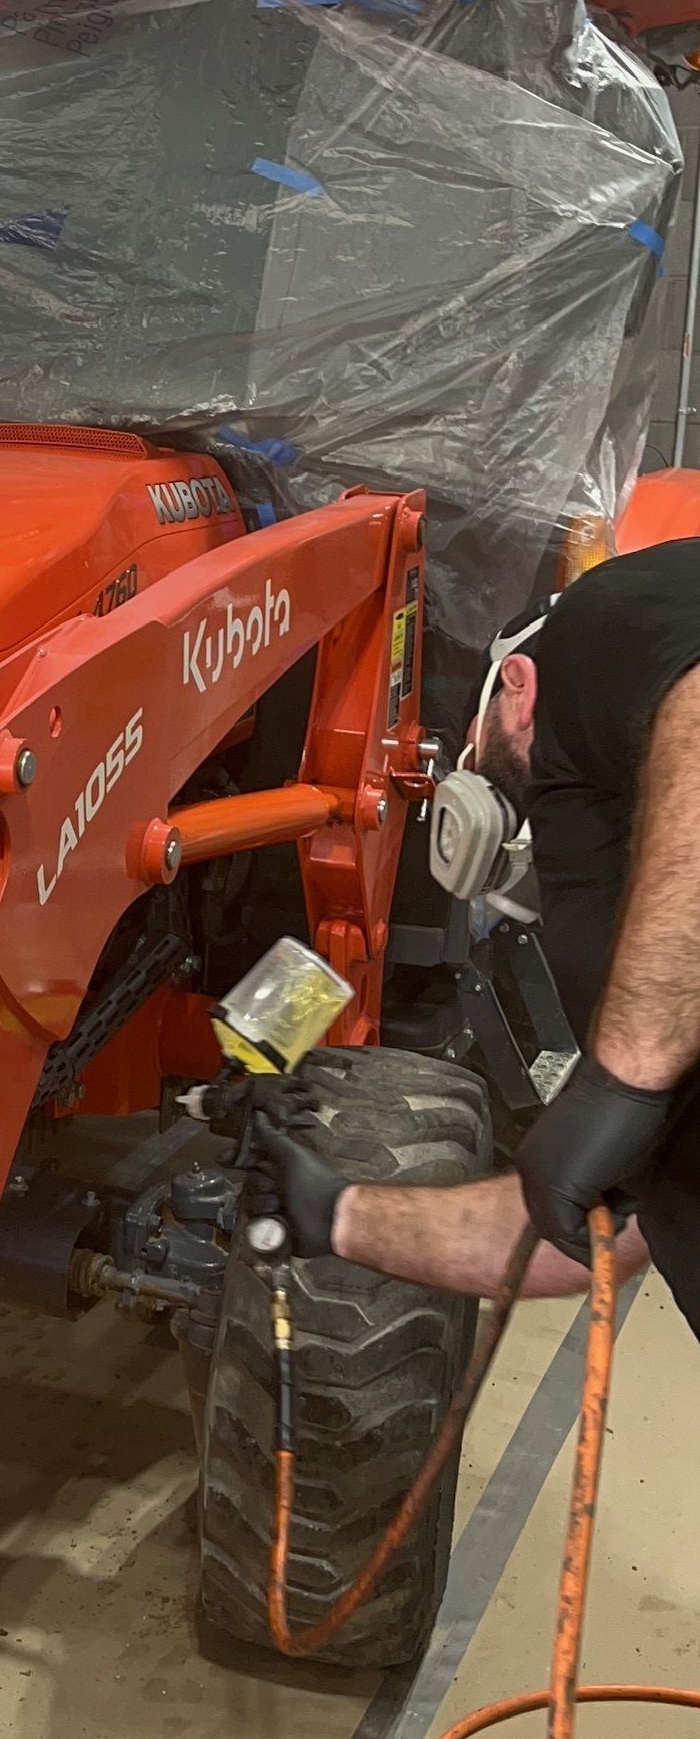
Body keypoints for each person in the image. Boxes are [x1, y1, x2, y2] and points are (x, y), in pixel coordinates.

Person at [252, 539, 700, 1329]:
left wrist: (623, 1079)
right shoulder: (668, 967)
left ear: (516, 692)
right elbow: (581, 1235)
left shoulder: (598, 623)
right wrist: (336, 1213)